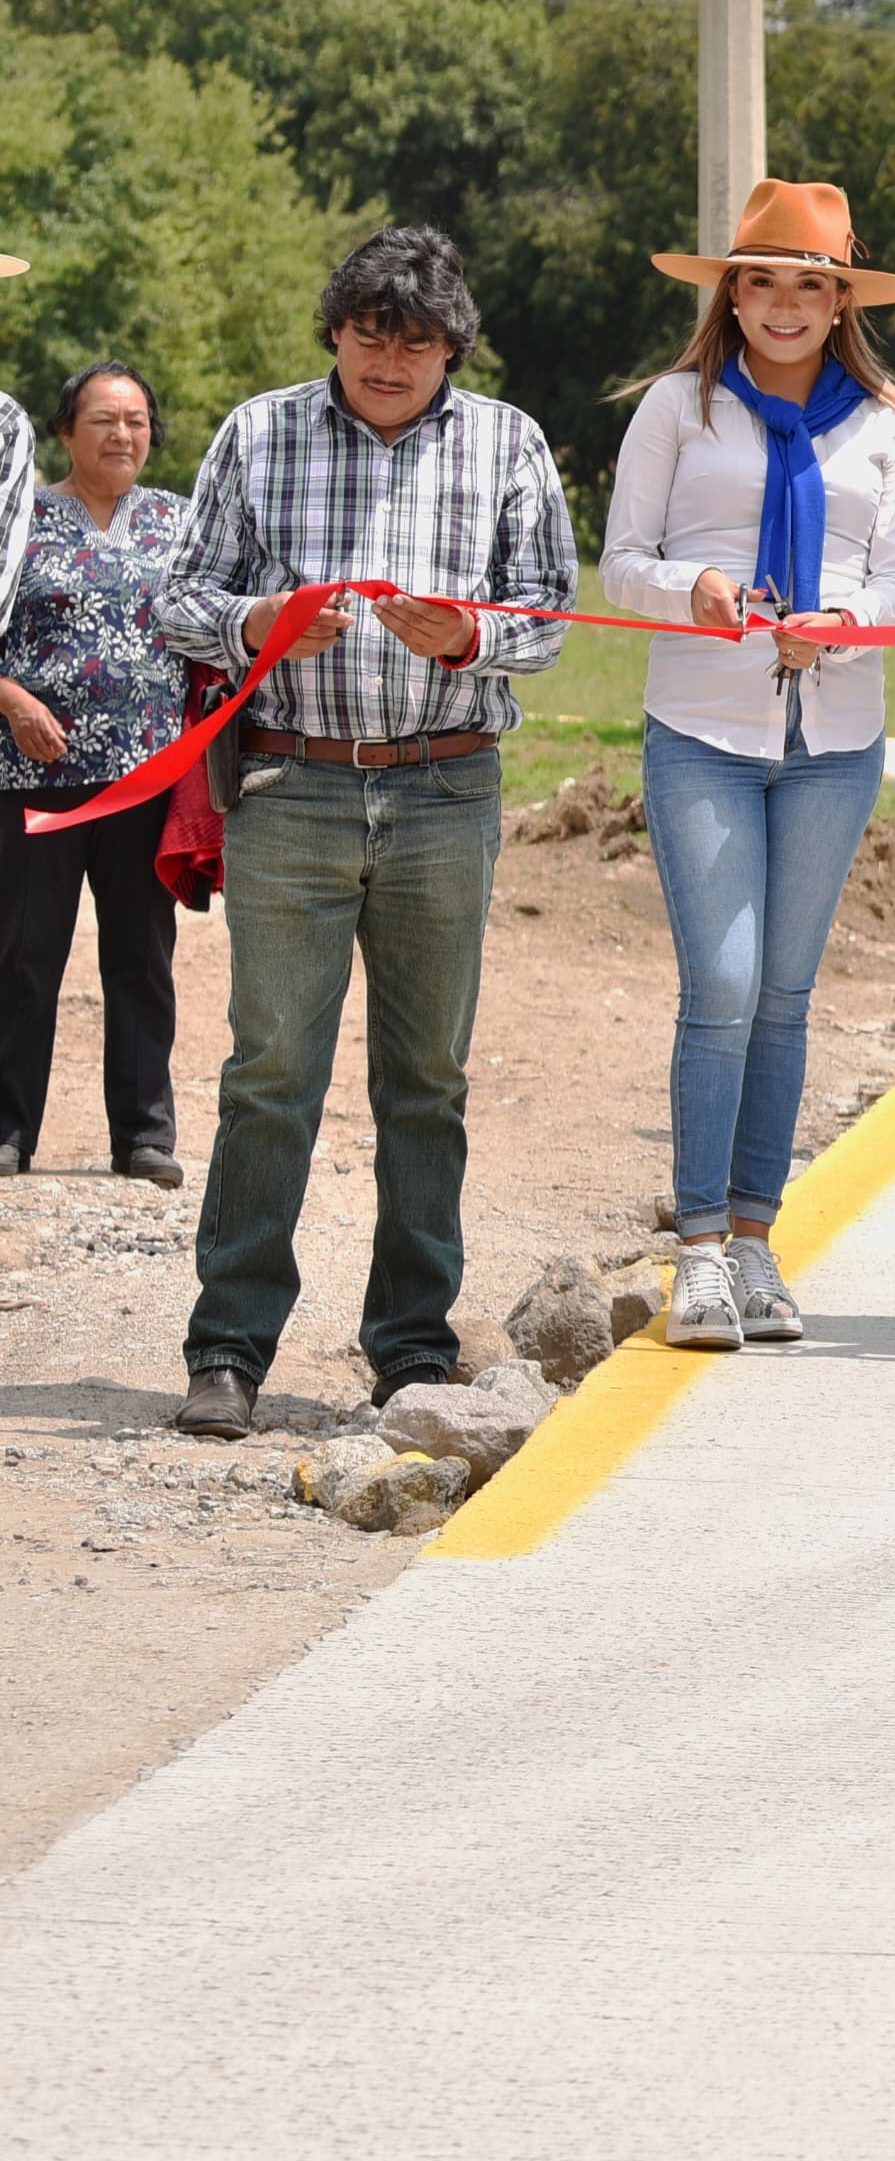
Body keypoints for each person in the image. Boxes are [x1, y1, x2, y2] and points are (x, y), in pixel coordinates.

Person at [153, 228, 576, 1439]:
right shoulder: (258, 430)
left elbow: (547, 609)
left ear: (455, 346)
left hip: (449, 790)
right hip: (292, 788)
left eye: (421, 339)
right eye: (372, 331)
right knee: (270, 1075)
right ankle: (227, 1347)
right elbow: (180, 597)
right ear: (335, 330)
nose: (393, 358)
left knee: (426, 1080)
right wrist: (260, 623)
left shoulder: (509, 440)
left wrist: (473, 641)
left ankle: (411, 1349)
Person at [602, 180, 895, 1350]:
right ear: (730, 293)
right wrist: (684, 587)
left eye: (810, 284)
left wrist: (845, 615)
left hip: (834, 739)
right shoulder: (677, 409)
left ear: (841, 298)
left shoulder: (888, 426)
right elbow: (619, 564)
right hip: (703, 729)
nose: (784, 305)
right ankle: (694, 1248)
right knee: (727, 985)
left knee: (787, 998)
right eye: (761, 281)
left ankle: (755, 1241)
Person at [0, 361, 187, 1185]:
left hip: (148, 780)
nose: (122, 435)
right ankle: (7, 1131)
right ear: (66, 431)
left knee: (140, 957)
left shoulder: (181, 524)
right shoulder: (20, 520)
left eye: (137, 421)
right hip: (33, 775)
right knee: (23, 953)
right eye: (104, 420)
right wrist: (10, 697)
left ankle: (143, 1136)